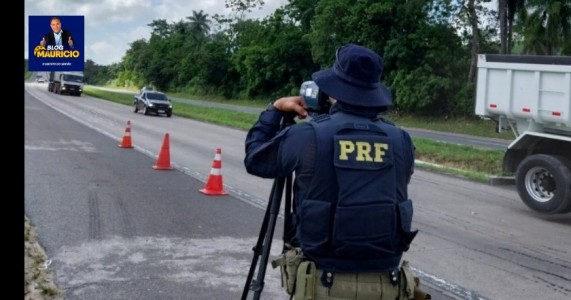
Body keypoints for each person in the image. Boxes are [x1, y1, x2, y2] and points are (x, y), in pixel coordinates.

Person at [244, 44, 428, 299]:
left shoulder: (308, 135)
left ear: (334, 91)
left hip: (322, 284)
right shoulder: (401, 140)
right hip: (389, 285)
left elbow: (255, 159)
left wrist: (274, 111)